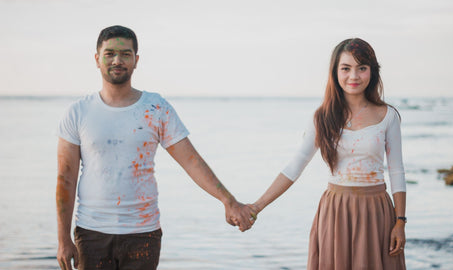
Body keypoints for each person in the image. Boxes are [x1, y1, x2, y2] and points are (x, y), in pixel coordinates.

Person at [55, 25, 256, 270]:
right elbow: (66, 178)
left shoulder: (156, 108)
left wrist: (229, 201)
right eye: (110, 54)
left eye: (125, 54)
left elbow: (191, 161)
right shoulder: (78, 112)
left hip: (143, 234)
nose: (117, 60)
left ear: (136, 60)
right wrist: (63, 238)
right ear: (97, 59)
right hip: (92, 233)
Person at [248, 38, 407, 269]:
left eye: (362, 68)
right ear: (335, 72)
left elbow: (397, 170)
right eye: (346, 68)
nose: (354, 76)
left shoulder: (388, 116)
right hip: (336, 212)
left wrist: (400, 222)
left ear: (372, 72)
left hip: (377, 211)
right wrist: (257, 206)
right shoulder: (321, 117)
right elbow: (295, 165)